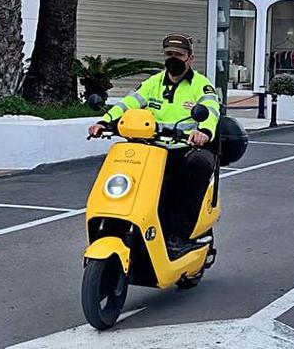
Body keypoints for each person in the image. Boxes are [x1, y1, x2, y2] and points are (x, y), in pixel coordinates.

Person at [88, 34, 221, 254]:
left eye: (178, 55)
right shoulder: (153, 83)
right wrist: (105, 122)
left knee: (200, 164)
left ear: (190, 58)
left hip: (185, 149)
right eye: (169, 54)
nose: (173, 58)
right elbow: (129, 103)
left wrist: (204, 131)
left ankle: (179, 235)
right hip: (153, 149)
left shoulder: (201, 85)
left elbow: (211, 110)